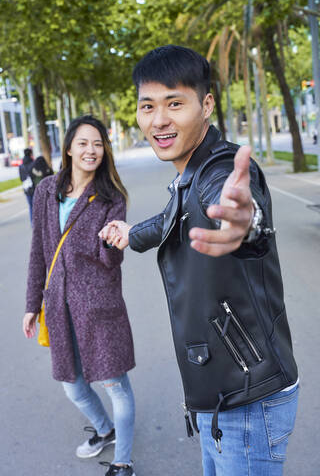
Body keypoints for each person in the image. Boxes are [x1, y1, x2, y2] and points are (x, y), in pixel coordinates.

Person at [100, 45, 298, 476]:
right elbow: (175, 217)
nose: (158, 120)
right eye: (147, 106)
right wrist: (130, 234)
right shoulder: (190, 174)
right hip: (218, 396)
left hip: (247, 400)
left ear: (206, 104)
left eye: (175, 103)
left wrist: (246, 223)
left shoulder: (220, 169)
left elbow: (236, 209)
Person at [22, 115, 136, 476]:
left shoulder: (109, 198)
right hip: (57, 307)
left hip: (99, 307)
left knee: (115, 385)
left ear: (105, 151)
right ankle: (106, 430)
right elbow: (40, 251)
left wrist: (114, 242)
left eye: (98, 144)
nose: (91, 150)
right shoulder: (45, 192)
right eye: (84, 143)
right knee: (72, 386)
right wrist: (31, 306)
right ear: (69, 147)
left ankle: (123, 462)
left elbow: (109, 261)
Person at [19, 148, 35, 223]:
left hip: (26, 188)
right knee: (37, 205)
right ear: (30, 154)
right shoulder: (33, 163)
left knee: (31, 206)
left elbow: (21, 178)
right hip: (34, 187)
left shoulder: (21, 166)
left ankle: (32, 223)